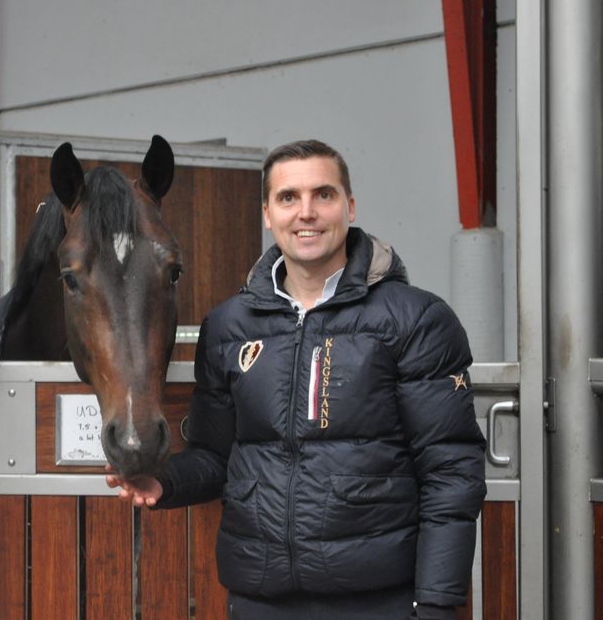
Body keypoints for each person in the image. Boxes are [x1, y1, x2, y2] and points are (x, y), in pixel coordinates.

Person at [107, 139, 486, 619]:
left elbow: (451, 473)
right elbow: (216, 455)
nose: (306, 212)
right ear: (268, 213)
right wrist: (164, 483)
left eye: (323, 195)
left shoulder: (416, 320)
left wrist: (435, 604)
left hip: (378, 602)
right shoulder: (228, 327)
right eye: (288, 198)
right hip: (260, 601)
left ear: (349, 206)